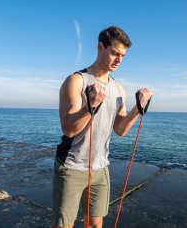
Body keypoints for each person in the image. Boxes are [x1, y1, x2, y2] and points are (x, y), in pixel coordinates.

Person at [52, 26, 152, 228]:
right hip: (71, 166)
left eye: (122, 55)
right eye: (115, 53)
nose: (119, 60)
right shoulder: (76, 81)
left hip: (100, 168)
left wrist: (137, 109)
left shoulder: (118, 88)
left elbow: (120, 129)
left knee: (96, 224)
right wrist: (91, 105)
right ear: (100, 47)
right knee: (63, 226)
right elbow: (68, 129)